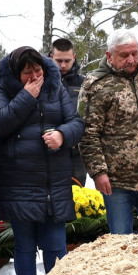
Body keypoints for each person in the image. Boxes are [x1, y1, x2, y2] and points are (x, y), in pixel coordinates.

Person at [0, 47, 85, 275]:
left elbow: (76, 122)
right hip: (19, 182)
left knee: (55, 245)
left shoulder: (55, 87)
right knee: (25, 246)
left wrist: (62, 135)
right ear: (15, 73)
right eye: (27, 73)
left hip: (54, 182)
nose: (34, 77)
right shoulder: (2, 89)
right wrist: (27, 96)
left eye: (38, 70)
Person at [79, 28, 138, 234]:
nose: (131, 59)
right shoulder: (96, 85)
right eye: (124, 55)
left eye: (135, 53)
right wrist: (98, 172)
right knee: (121, 246)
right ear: (109, 56)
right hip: (117, 182)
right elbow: (88, 133)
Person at [50, 37, 87, 185]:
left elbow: (88, 116)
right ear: (51, 57)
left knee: (78, 198)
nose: (63, 65)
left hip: (76, 153)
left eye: (67, 61)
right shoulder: (43, 81)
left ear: (74, 58)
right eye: (59, 61)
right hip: (50, 149)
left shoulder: (85, 83)